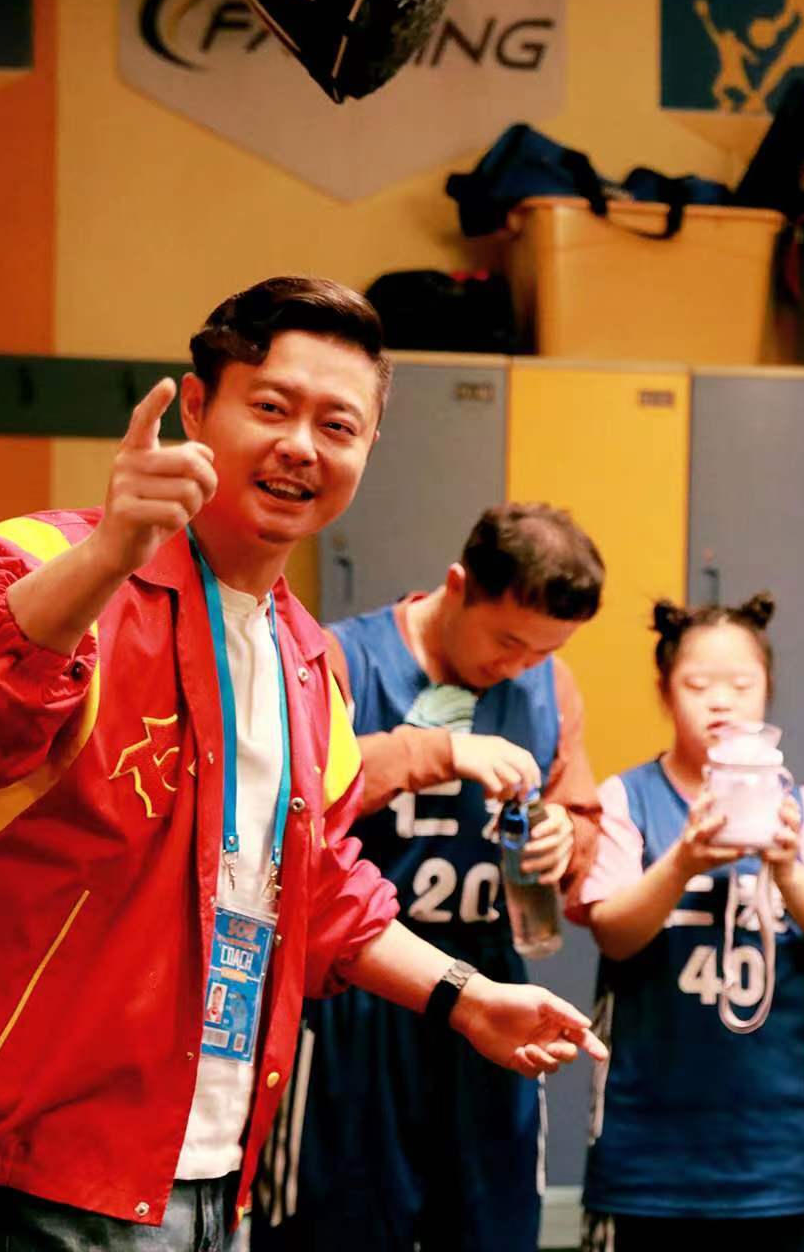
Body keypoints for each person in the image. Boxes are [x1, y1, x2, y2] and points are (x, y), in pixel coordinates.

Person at [0, 277, 605, 1250]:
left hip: (210, 1169)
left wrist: (466, 995)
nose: (302, 445)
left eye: (338, 424)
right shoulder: (43, 562)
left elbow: (317, 890)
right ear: (199, 407)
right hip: (25, 1177)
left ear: (369, 448)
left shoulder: (306, 661)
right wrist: (110, 554)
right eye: (272, 407)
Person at [253, 502, 608, 1250]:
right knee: (339, 1229)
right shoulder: (342, 657)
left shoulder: (552, 686)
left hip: (493, 989)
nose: (518, 667)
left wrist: (564, 836)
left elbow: (581, 819)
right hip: (362, 988)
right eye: (507, 640)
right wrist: (437, 752)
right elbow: (296, 792)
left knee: (490, 1229)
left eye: (543, 651)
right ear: (457, 585)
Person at [568, 594, 804, 1252]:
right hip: (645, 1145)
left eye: (741, 685)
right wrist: (681, 862)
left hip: (772, 1145)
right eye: (698, 686)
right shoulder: (627, 798)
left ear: (768, 692)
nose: (721, 702)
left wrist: (788, 872)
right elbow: (613, 931)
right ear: (665, 691)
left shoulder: (799, 807)